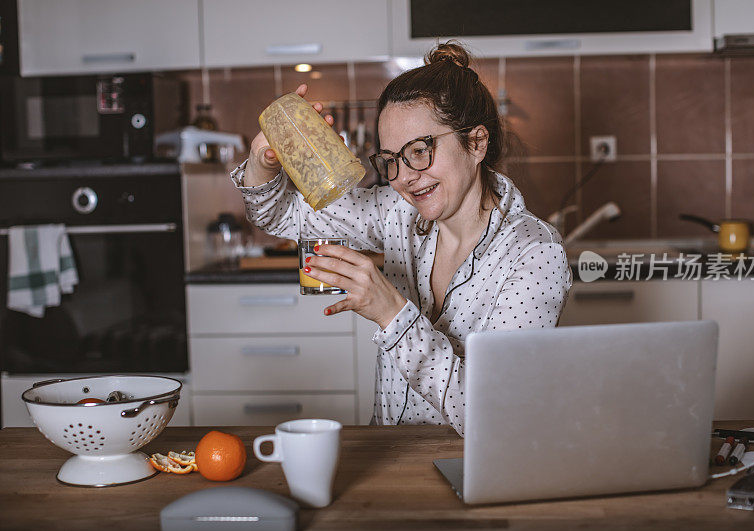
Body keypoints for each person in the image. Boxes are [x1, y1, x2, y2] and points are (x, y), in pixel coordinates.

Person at [230, 42, 572, 437]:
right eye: (391, 159)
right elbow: (282, 214)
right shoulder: (397, 212)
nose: (405, 177)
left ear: (476, 143)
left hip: (475, 471)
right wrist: (264, 161)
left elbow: (498, 416)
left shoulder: (534, 254)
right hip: (388, 455)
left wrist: (392, 314)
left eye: (420, 151)